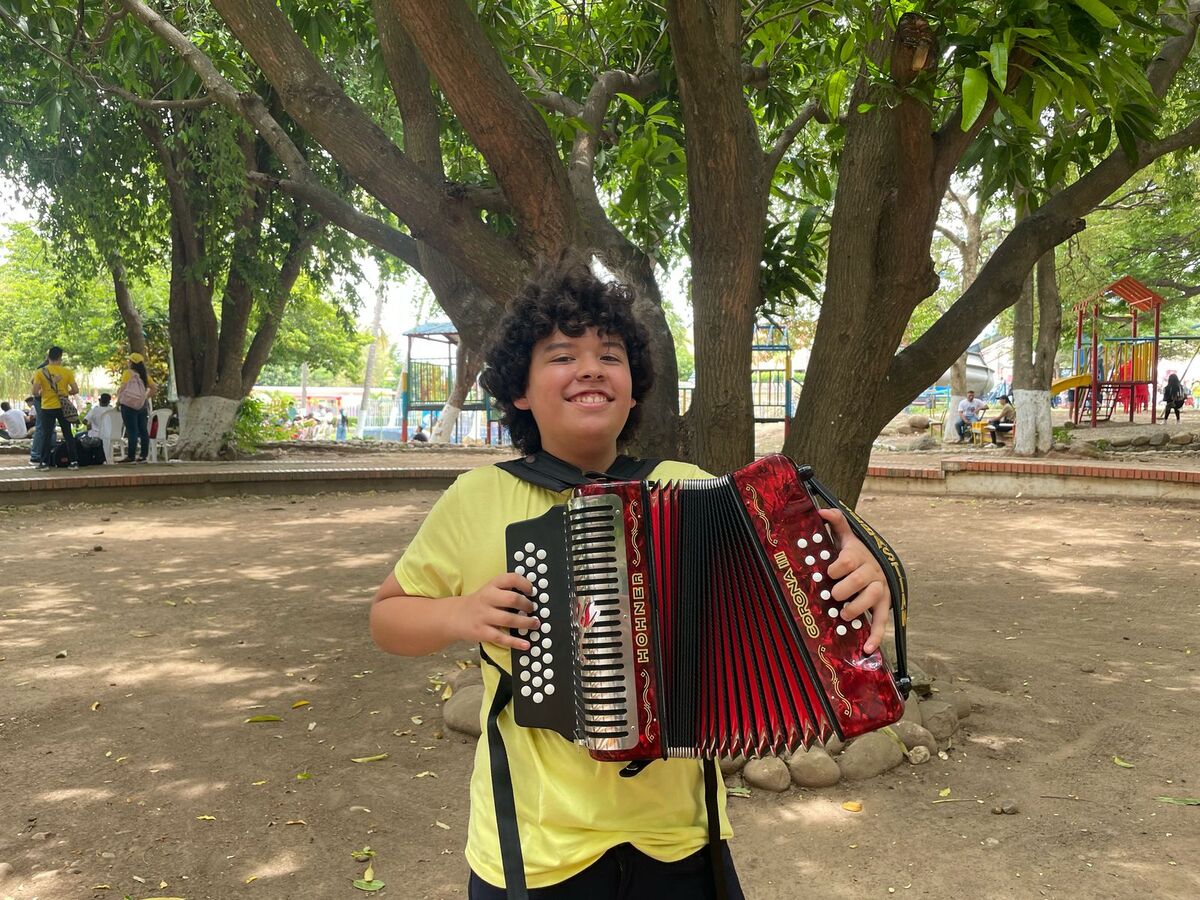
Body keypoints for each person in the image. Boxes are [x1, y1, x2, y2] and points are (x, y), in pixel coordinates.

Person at [369, 256, 893, 899]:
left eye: (609, 354)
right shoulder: (477, 499)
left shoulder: (694, 488)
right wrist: (459, 615)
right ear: (519, 391)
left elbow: (807, 602)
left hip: (682, 839)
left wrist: (859, 588)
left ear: (634, 386)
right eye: (562, 355)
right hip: (535, 846)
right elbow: (387, 616)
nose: (590, 367)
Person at [31, 346, 80, 470]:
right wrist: (65, 393)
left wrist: (44, 393)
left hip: (47, 407)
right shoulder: (67, 372)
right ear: (60, 357)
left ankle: (44, 463)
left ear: (48, 357)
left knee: (46, 435)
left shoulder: (40, 372)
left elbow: (35, 392)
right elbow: (75, 390)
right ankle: (74, 462)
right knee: (68, 434)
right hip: (63, 407)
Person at [116, 353, 155, 463]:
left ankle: (131, 456)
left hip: (128, 405)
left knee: (132, 430)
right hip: (141, 405)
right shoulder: (144, 376)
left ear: (131, 363)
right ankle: (143, 456)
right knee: (143, 430)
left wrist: (119, 400)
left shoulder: (128, 373)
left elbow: (123, 387)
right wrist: (144, 397)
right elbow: (154, 388)